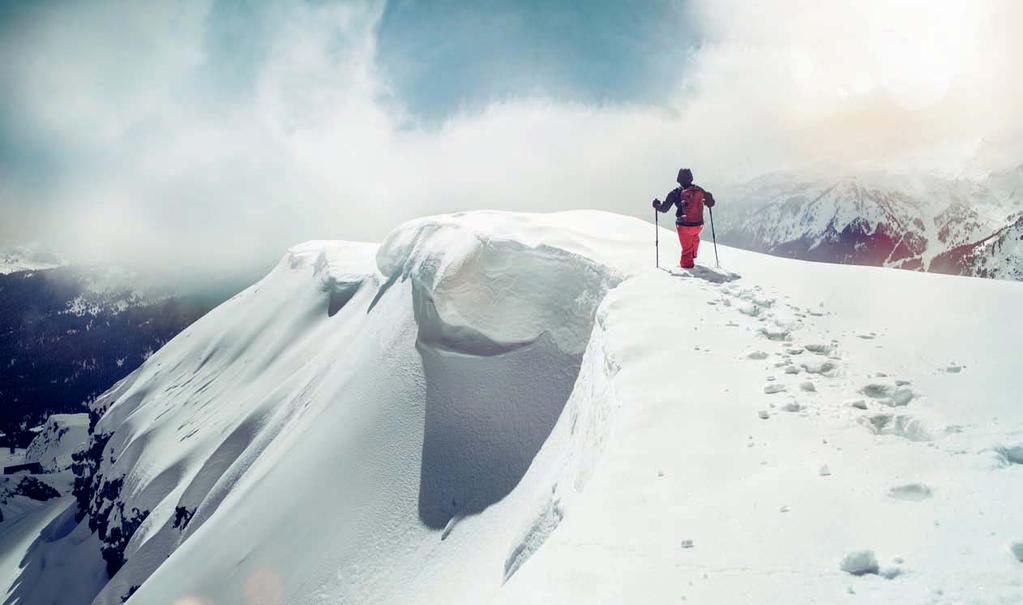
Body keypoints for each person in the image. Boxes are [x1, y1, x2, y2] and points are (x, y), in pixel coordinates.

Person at [652, 168, 716, 269]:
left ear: (679, 179)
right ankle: (693, 255)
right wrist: (709, 197)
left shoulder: (675, 192)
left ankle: (688, 268)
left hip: (684, 225)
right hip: (698, 224)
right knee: (695, 238)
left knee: (686, 248)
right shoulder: (698, 189)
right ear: (691, 178)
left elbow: (664, 209)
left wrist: (656, 205)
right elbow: (711, 203)